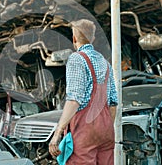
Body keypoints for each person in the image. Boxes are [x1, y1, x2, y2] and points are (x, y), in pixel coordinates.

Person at [48, 19, 118, 164]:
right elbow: (113, 103)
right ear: (92, 38)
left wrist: (57, 134)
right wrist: (105, 128)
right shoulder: (105, 63)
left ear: (74, 39)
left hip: (85, 129)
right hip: (106, 129)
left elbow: (74, 100)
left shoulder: (76, 59)